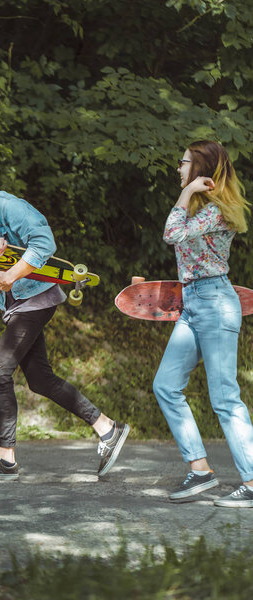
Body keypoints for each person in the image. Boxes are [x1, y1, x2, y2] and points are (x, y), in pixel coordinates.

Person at [0, 142, 130, 480]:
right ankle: (107, 428)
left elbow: (44, 243)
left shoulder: (9, 206)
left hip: (36, 298)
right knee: (39, 380)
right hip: (11, 306)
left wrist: (10, 273)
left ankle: (5, 458)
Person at [153, 140, 253, 508]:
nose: (179, 169)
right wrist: (189, 194)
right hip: (193, 303)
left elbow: (171, 234)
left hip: (215, 303)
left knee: (225, 398)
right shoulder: (200, 210)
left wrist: (187, 192)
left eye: (184, 164)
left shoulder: (218, 210)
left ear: (201, 169)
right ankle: (200, 469)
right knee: (165, 385)